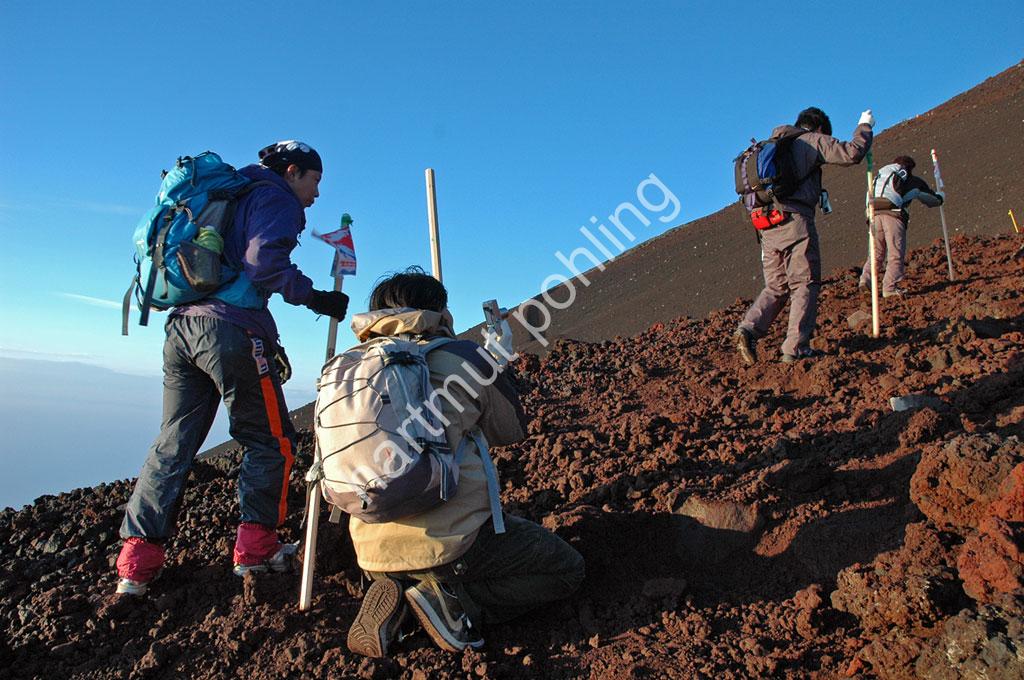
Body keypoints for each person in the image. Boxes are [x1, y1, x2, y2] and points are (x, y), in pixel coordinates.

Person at [114, 141, 351, 595]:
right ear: (293, 171)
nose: (316, 193)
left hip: (181, 329)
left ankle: (136, 564)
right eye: (315, 180)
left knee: (173, 442)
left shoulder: (229, 193)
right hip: (232, 331)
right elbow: (263, 264)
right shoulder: (275, 197)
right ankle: (257, 550)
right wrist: (315, 296)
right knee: (271, 440)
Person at [342, 269, 585, 657]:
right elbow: (510, 430)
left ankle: (399, 595)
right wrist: (495, 361)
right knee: (565, 569)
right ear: (439, 312)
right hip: (452, 546)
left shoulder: (345, 368)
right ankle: (452, 604)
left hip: (370, 552)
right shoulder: (459, 358)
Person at [734, 107, 874, 365]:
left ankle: (748, 328)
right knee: (805, 282)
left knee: (776, 286)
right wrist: (864, 126)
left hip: (765, 225)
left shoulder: (771, 144)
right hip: (794, 221)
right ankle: (796, 348)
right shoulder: (811, 140)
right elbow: (852, 152)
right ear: (819, 127)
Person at [859, 155, 944, 298]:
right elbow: (930, 199)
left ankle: (865, 280)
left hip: (873, 215)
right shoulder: (911, 180)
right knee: (895, 253)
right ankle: (889, 288)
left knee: (876, 253)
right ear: (910, 168)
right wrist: (940, 197)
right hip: (893, 216)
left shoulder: (880, 177)